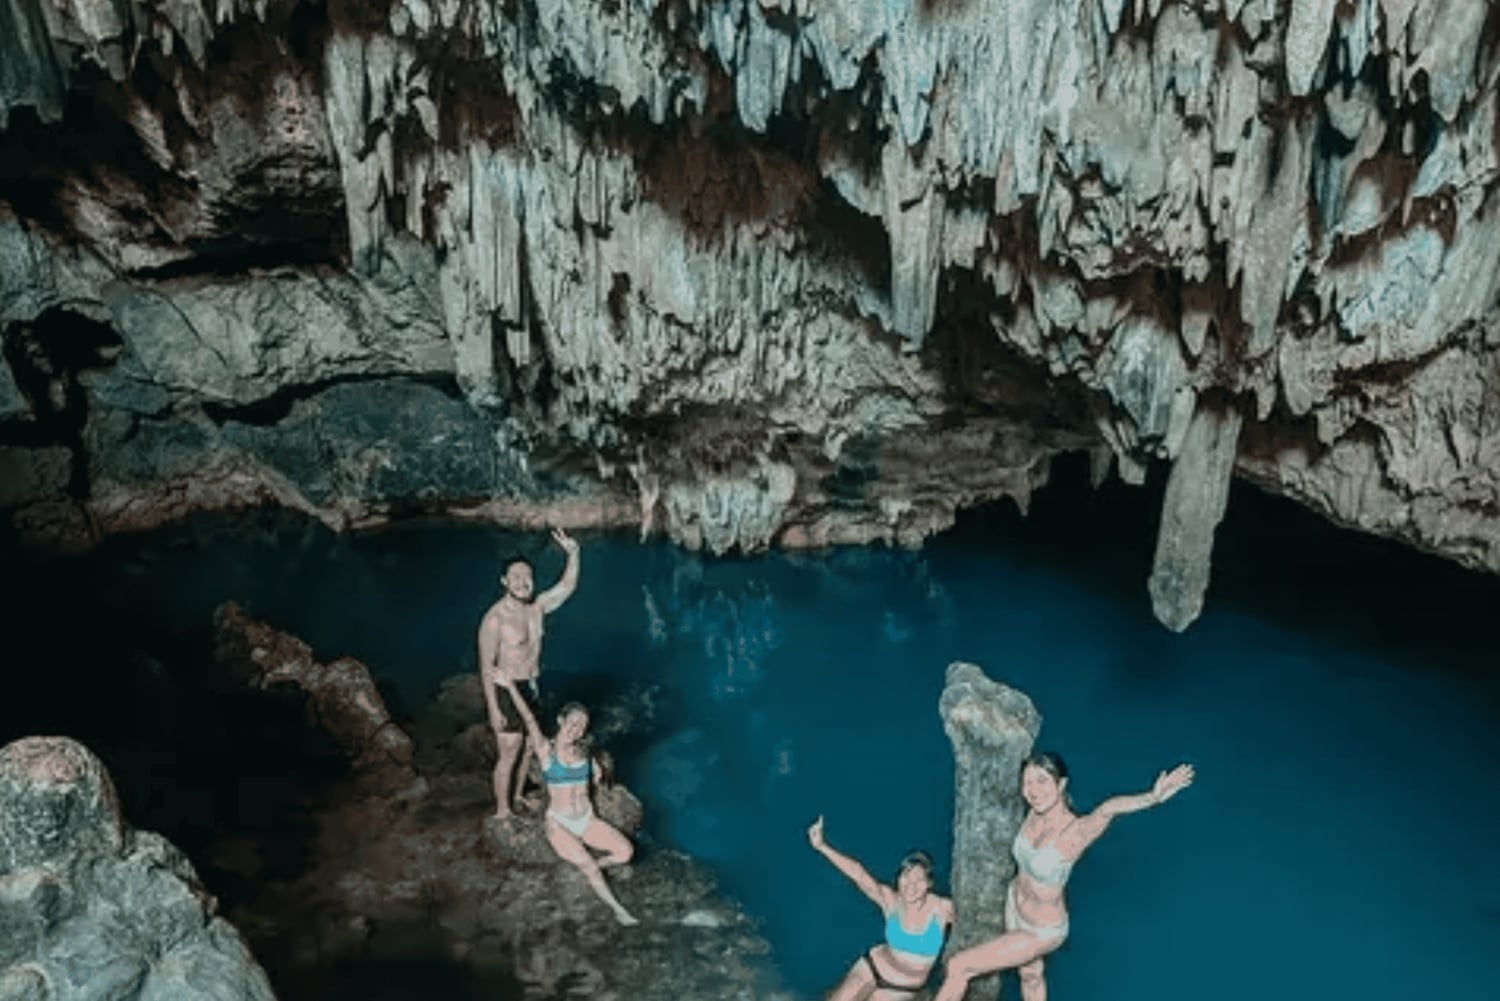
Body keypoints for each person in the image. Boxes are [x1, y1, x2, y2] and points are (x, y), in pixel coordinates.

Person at [932, 754, 1195, 1001]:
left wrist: (1152, 797)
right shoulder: (1034, 812)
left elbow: (1107, 810)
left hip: (1041, 931)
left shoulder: (1073, 833)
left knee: (960, 966)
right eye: (1027, 782)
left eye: (1042, 781)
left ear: (1061, 784)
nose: (1033, 791)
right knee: (1030, 975)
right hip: (1014, 906)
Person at [496, 675, 639, 925]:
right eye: (572, 723)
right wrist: (509, 687)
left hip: (587, 820)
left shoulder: (585, 753)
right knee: (590, 868)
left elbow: (594, 780)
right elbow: (528, 717)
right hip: (559, 823)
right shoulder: (546, 750)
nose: (576, 729)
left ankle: (591, 868)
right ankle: (618, 910)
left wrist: (597, 772)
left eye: (582, 726)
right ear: (561, 720)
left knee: (625, 852)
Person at [477, 527, 580, 822]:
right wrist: (494, 709)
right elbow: (485, 667)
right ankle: (502, 811)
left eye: (527, 576)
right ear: (504, 582)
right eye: (516, 577)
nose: (523, 582)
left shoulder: (537, 608)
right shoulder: (495, 620)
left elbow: (567, 586)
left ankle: (519, 795)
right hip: (506, 689)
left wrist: (574, 553)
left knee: (529, 749)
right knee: (509, 751)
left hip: (533, 685)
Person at [807, 815, 955, 999]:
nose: (911, 885)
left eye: (919, 879)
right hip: (872, 966)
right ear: (898, 879)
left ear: (929, 883)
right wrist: (821, 846)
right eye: (906, 877)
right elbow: (858, 874)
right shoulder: (890, 901)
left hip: (901, 989)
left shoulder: (942, 908)